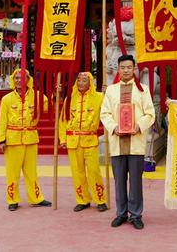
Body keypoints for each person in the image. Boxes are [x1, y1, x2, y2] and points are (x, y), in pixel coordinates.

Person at [100, 54, 155, 230]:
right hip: (117, 141)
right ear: (118, 69)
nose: (125, 70)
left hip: (136, 142)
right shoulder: (111, 90)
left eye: (129, 67)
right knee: (119, 180)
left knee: (136, 182)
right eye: (122, 67)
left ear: (134, 69)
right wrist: (114, 127)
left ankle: (136, 214)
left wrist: (139, 126)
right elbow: (105, 113)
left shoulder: (143, 90)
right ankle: (121, 213)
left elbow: (150, 114)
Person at [0, 68, 51, 211]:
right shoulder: (6, 99)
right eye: (16, 78)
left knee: (31, 171)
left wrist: (55, 94)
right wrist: (1, 140)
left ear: (28, 79)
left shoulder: (37, 96)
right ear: (13, 80)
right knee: (12, 172)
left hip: (31, 138)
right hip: (13, 139)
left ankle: (36, 198)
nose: (20, 81)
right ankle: (12, 199)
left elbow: (48, 107)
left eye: (23, 78)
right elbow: (2, 121)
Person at [58, 72, 108, 212]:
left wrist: (107, 94)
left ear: (90, 82)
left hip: (90, 139)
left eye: (84, 80)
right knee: (77, 172)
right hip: (73, 141)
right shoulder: (70, 99)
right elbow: (63, 120)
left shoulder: (99, 97)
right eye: (79, 80)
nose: (81, 83)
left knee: (94, 171)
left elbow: (108, 110)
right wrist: (63, 139)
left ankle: (100, 199)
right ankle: (83, 199)